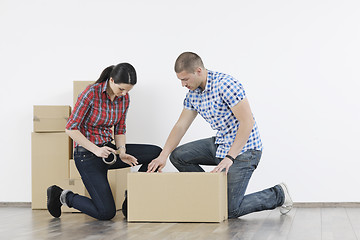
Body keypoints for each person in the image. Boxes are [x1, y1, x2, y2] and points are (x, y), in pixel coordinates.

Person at [147, 52, 293, 218]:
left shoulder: (226, 85)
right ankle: (211, 195)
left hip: (245, 151)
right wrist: (163, 155)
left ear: (199, 71)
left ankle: (278, 194)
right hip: (221, 143)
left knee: (230, 210)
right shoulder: (193, 95)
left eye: (185, 79)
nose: (182, 84)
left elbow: (247, 123)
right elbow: (181, 126)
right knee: (178, 156)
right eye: (180, 80)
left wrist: (230, 158)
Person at [47, 63, 162, 220]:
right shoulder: (90, 93)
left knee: (156, 153)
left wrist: (122, 152)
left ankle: (133, 199)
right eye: (122, 89)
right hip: (87, 155)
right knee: (106, 213)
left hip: (109, 152)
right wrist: (96, 150)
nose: (124, 93)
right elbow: (70, 128)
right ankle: (61, 195)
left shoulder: (124, 98)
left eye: (128, 90)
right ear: (112, 80)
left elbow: (120, 129)